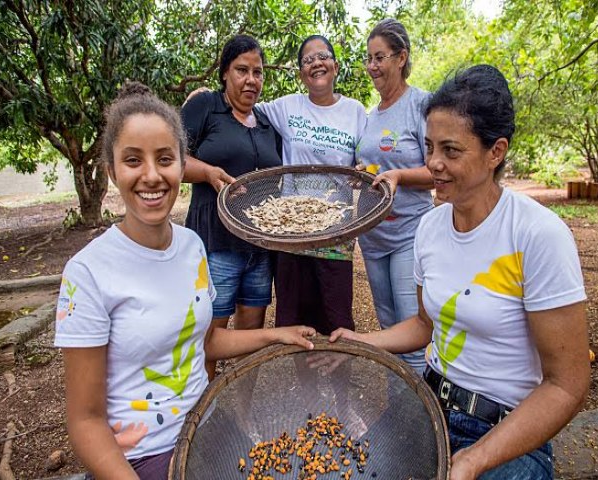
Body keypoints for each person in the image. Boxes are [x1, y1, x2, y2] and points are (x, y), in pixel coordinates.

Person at [330, 65, 590, 479]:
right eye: (430, 147)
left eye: (451, 151)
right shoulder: (430, 228)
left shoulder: (537, 235)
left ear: (496, 152)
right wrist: (361, 341)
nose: (433, 163)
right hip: (428, 405)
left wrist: (475, 459)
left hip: (505, 429)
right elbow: (423, 325)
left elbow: (567, 385)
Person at [54, 82, 315, 480]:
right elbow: (86, 422)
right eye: (132, 161)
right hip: (141, 457)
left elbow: (206, 341)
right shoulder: (88, 272)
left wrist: (276, 335)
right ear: (111, 171)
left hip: (206, 431)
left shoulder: (193, 245)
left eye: (164, 159)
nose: (152, 176)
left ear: (181, 164)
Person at [180, 35, 283, 379]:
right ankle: (204, 413)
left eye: (258, 72)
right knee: (208, 335)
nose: (251, 79)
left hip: (259, 247)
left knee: (249, 339)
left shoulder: (268, 125)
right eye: (242, 70)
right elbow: (170, 159)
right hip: (216, 244)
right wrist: (207, 172)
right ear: (225, 73)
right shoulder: (206, 107)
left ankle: (240, 412)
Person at [256, 34, 367, 335]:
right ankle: (300, 382)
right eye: (308, 60)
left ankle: (337, 380)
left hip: (336, 234)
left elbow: (367, 161)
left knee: (337, 321)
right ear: (301, 72)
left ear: (335, 65)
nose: (316, 63)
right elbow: (244, 108)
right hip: (292, 233)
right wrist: (205, 99)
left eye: (323, 56)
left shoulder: (355, 111)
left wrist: (362, 169)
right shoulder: (287, 107)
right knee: (294, 321)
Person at [356, 18, 435, 375]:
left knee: (411, 332)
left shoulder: (422, 105)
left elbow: (439, 171)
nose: (372, 66)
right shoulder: (370, 117)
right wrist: (362, 174)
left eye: (380, 57)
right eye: (369, 58)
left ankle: (419, 421)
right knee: (389, 332)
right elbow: (374, 169)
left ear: (400, 58)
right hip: (373, 238)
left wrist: (400, 176)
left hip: (408, 235)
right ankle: (397, 406)